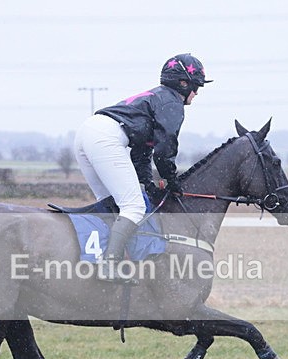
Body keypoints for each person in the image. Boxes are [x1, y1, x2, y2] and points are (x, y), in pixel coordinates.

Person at [74, 53, 212, 282]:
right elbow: (165, 148)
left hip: (88, 134)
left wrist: (147, 182)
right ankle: (109, 266)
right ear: (183, 83)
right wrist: (172, 180)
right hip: (105, 137)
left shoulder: (158, 98)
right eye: (196, 86)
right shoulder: (172, 102)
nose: (196, 93)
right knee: (134, 207)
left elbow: (142, 152)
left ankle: (101, 259)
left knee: (113, 206)